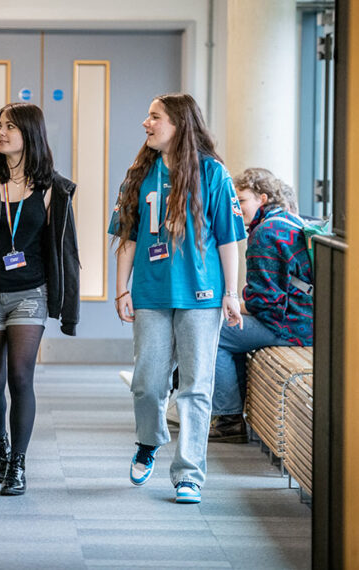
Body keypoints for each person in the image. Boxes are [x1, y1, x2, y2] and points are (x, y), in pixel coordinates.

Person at [109, 93, 245, 504]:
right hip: (151, 294)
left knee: (196, 388)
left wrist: (231, 294)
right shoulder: (140, 173)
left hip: (201, 298)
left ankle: (189, 475)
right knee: (148, 384)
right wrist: (121, 288)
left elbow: (229, 239)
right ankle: (149, 441)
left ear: (179, 124)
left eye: (154, 117)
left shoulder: (213, 174)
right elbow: (128, 238)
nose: (146, 124)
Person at [0, 102, 80, 496]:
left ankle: (18, 464)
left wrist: (68, 308)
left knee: (22, 376)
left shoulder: (53, 188)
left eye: (10, 127)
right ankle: (0, 446)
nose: (2, 133)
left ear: (30, 133)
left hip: (30, 293)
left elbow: (67, 251)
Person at [209, 167, 313, 443]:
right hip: (306, 319)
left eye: (241, 200)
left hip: (291, 326)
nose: (236, 207)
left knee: (216, 333)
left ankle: (229, 420)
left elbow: (262, 303)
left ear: (262, 199)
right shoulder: (287, 222)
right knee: (233, 326)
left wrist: (230, 305)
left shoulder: (264, 233)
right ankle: (230, 413)